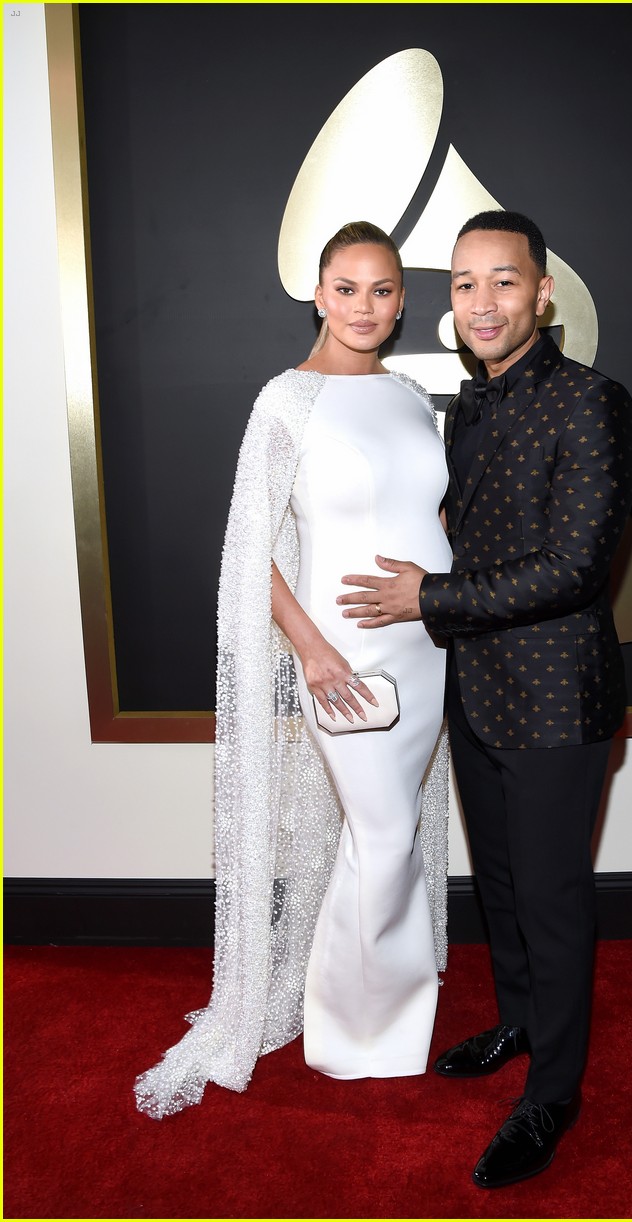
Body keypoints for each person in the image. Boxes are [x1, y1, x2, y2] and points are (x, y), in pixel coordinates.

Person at [337, 210, 632, 1187]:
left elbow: (575, 567)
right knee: (501, 884)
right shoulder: (466, 406)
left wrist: (425, 599)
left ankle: (553, 1093)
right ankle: (519, 1020)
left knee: (551, 900)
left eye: (502, 280)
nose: (481, 301)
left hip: (555, 701)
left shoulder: (592, 401)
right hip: (473, 687)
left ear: (541, 293)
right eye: (463, 283)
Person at [134, 222, 451, 1118]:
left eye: (381, 290)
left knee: (386, 836)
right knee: (381, 836)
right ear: (317, 295)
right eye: (346, 289)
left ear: (401, 301)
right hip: (344, 656)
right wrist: (310, 648)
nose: (363, 307)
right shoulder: (286, 401)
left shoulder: (409, 396)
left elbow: (428, 516)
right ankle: (355, 1031)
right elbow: (250, 551)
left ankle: (373, 1009)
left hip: (426, 647)